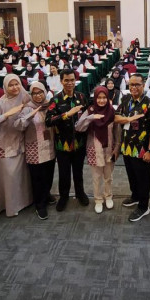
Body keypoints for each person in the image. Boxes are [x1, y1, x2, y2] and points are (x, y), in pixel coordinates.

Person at [0, 74, 33, 217]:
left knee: (22, 176)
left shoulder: (26, 97)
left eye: (16, 84)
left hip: (22, 141)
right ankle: (11, 206)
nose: (14, 88)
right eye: (10, 85)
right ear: (5, 87)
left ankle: (25, 202)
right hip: (4, 143)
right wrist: (6, 115)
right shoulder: (1, 103)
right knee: (9, 177)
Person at [115, 73, 150, 222]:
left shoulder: (149, 103)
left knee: (143, 179)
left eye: (137, 85)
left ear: (143, 85)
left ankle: (143, 206)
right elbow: (116, 117)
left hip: (142, 149)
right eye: (131, 84)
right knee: (132, 175)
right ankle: (135, 196)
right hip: (127, 146)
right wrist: (128, 119)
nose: (134, 87)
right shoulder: (126, 99)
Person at [45, 69, 89, 211]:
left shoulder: (81, 97)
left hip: (79, 143)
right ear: (61, 81)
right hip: (62, 144)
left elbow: (87, 114)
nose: (70, 83)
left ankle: (80, 193)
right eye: (66, 80)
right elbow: (48, 121)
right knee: (64, 173)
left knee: (78, 171)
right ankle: (63, 197)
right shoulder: (56, 100)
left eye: (72, 80)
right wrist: (66, 115)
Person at [14, 81, 56, 219]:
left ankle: (46, 194)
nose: (38, 96)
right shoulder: (27, 108)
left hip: (49, 145)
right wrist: (30, 115)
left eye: (40, 92)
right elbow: (18, 125)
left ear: (45, 92)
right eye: (34, 93)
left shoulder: (50, 104)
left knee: (49, 173)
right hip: (34, 147)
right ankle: (40, 204)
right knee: (37, 177)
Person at [75, 86, 119, 214]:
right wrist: (91, 117)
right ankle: (98, 200)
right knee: (96, 177)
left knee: (108, 176)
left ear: (107, 98)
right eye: (99, 98)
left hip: (109, 149)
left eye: (104, 97)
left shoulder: (112, 110)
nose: (101, 100)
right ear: (95, 98)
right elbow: (78, 127)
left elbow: (117, 131)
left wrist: (117, 147)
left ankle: (108, 196)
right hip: (94, 149)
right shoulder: (90, 110)